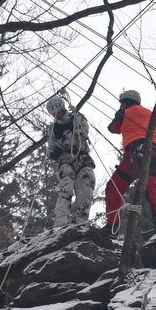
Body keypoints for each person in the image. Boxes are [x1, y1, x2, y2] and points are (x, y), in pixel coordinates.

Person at [105, 89, 156, 234]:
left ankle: (113, 225)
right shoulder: (151, 113)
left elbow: (113, 128)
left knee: (114, 187)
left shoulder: (124, 113)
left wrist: (120, 113)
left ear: (125, 102)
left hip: (135, 154)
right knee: (153, 186)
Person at [46, 95, 96, 227]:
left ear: (62, 109)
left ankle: (80, 221)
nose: (56, 116)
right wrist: (53, 153)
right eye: (54, 115)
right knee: (66, 188)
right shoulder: (53, 129)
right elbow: (51, 146)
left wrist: (75, 116)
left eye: (58, 113)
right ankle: (61, 222)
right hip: (66, 160)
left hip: (83, 158)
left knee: (86, 189)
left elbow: (84, 132)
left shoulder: (77, 118)